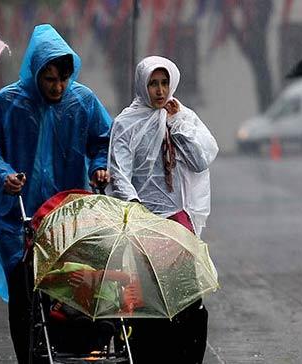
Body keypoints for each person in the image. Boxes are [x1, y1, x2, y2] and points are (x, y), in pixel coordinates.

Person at [0, 24, 112, 364]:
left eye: (63, 78)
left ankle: (56, 350)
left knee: (64, 291)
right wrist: (4, 176)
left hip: (67, 216)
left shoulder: (83, 101)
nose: (58, 87)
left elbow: (103, 139)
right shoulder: (8, 103)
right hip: (19, 218)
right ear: (36, 72)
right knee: (23, 295)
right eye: (49, 79)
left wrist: (99, 166)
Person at [107, 56, 218, 364]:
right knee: (146, 299)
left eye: (164, 83)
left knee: (185, 297)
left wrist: (177, 123)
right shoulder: (125, 123)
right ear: (143, 85)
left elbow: (200, 159)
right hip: (142, 222)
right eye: (153, 83)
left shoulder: (182, 115)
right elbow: (119, 172)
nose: (159, 91)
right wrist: (135, 208)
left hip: (178, 220)